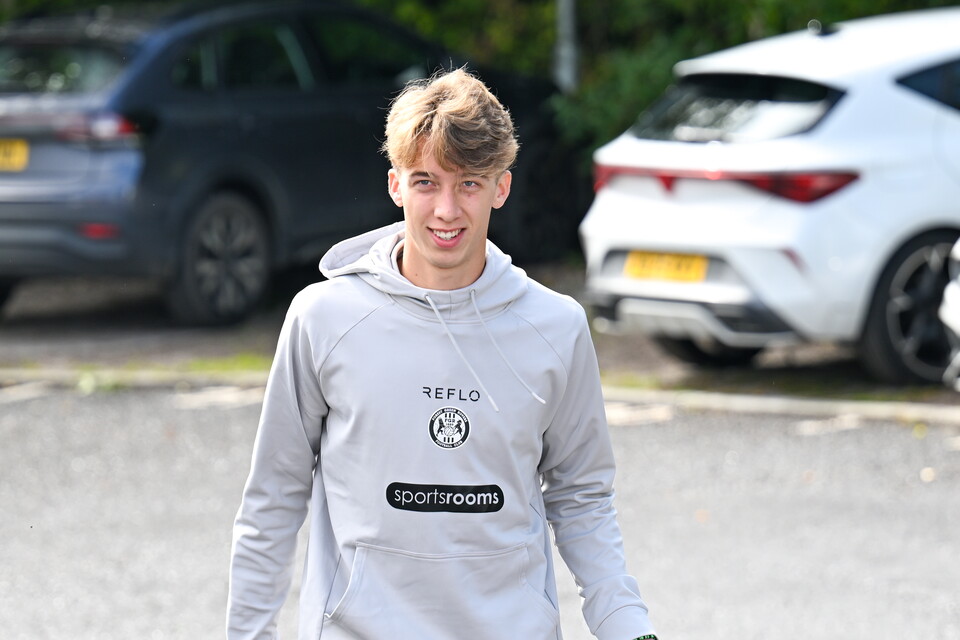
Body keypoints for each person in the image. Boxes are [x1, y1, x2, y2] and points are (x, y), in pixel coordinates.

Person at [227, 67, 657, 640]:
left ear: (502, 187)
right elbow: (273, 499)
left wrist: (627, 626)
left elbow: (582, 497)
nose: (447, 210)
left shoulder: (556, 327)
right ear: (395, 185)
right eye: (426, 181)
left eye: (470, 184)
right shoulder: (323, 318)